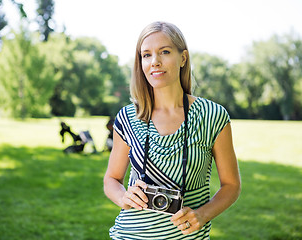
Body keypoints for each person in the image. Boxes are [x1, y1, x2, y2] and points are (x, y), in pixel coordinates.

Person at [103, 21, 241, 239]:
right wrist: (123, 198)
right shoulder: (128, 117)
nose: (155, 62)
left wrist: (202, 215)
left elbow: (232, 185)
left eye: (164, 52)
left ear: (183, 58)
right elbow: (111, 178)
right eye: (146, 55)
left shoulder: (213, 116)